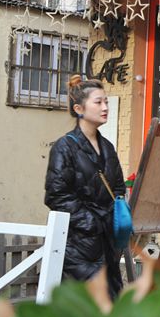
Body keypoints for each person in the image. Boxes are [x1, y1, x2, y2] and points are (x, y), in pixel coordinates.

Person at [45, 75, 125, 297]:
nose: (105, 107)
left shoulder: (107, 147)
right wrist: (92, 223)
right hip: (78, 246)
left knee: (110, 304)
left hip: (107, 245)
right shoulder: (64, 147)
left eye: (106, 102)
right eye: (98, 102)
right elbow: (56, 195)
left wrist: (114, 216)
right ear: (79, 109)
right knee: (86, 306)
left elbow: (118, 188)